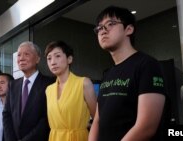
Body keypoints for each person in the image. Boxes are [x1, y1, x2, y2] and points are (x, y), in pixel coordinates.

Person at [88, 6, 166, 141]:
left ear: (129, 29)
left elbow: (146, 127)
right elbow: (97, 120)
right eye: (99, 28)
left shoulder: (147, 65)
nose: (102, 31)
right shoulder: (108, 73)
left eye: (110, 24)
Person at [45, 41, 97, 141]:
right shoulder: (49, 90)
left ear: (69, 59)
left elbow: (97, 118)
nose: (53, 62)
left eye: (58, 56)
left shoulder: (83, 83)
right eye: (49, 58)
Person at [3, 41, 54, 141]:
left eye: (26, 54)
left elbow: (47, 118)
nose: (21, 58)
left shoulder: (50, 83)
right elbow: (6, 114)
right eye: (19, 55)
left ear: (38, 59)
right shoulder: (13, 85)